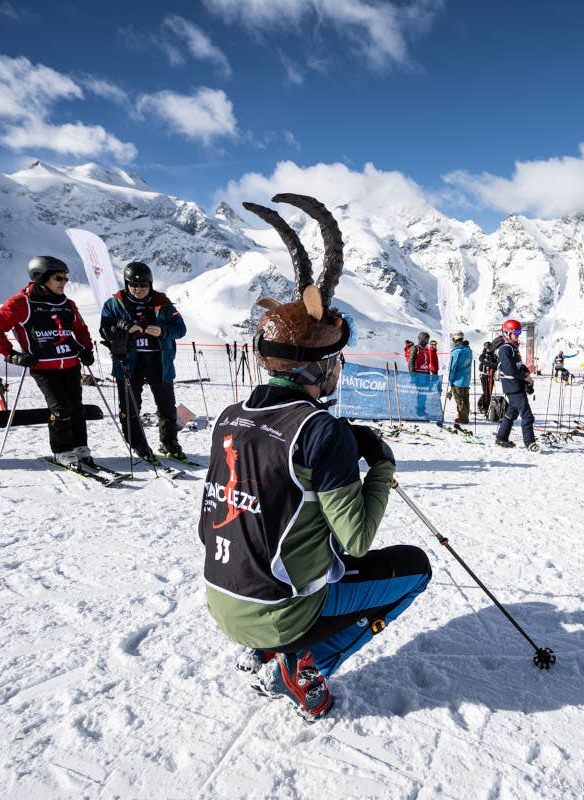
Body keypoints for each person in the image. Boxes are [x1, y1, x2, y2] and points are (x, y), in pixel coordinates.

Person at [204, 194, 429, 722]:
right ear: (322, 368)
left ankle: (263, 652)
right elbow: (356, 538)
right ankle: (303, 668)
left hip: (225, 599)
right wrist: (380, 466)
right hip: (280, 610)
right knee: (414, 570)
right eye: (337, 362)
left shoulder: (230, 417)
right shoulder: (321, 432)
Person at [0, 256, 96, 467]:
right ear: (41, 278)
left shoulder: (67, 303)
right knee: (61, 409)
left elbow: (80, 329)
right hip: (44, 368)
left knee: (76, 408)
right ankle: (61, 451)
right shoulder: (22, 303)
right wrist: (12, 354)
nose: (64, 282)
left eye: (65, 278)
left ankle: (80, 447)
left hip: (71, 364)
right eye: (58, 278)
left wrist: (86, 349)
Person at [99, 261, 187, 461]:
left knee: (166, 406)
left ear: (150, 284)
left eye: (144, 285)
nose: (139, 289)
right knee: (130, 406)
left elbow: (180, 329)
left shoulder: (162, 303)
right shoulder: (114, 303)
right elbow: (104, 330)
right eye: (134, 285)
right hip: (128, 362)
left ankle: (169, 443)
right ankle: (138, 444)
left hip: (159, 361)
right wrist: (120, 328)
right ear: (126, 284)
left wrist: (163, 331)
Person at [494, 319, 538, 451]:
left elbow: (519, 365)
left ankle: (501, 438)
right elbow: (510, 369)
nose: (518, 335)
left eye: (519, 332)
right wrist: (525, 377)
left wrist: (528, 378)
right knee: (527, 415)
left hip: (516, 385)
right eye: (516, 332)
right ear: (508, 333)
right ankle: (530, 443)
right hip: (512, 387)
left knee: (511, 414)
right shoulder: (505, 349)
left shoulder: (513, 348)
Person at [446, 332, 472, 426]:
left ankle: (463, 418)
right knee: (465, 399)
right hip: (466, 379)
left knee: (460, 400)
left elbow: (452, 368)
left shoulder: (457, 352)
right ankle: (465, 416)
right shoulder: (468, 350)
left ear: (455, 340)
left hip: (458, 380)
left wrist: (450, 381)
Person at [477, 340, 498, 413]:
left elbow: (497, 365)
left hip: (491, 375)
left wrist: (493, 366)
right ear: (485, 348)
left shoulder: (494, 356)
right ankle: (483, 406)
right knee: (486, 392)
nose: (490, 349)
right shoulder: (483, 355)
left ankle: (482, 404)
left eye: (491, 347)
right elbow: (483, 361)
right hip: (484, 375)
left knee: (489, 392)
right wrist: (491, 365)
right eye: (488, 348)